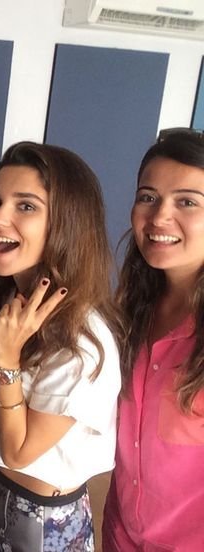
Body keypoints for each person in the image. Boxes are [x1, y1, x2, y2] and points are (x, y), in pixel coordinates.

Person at [0, 142, 122, 551]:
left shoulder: (81, 340)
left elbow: (18, 451)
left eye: (26, 206)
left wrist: (6, 360)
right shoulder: (11, 301)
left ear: (65, 224)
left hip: (40, 521)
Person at [102, 130, 204, 551]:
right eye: (148, 197)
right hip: (120, 536)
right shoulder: (125, 312)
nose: (160, 216)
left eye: (187, 202)